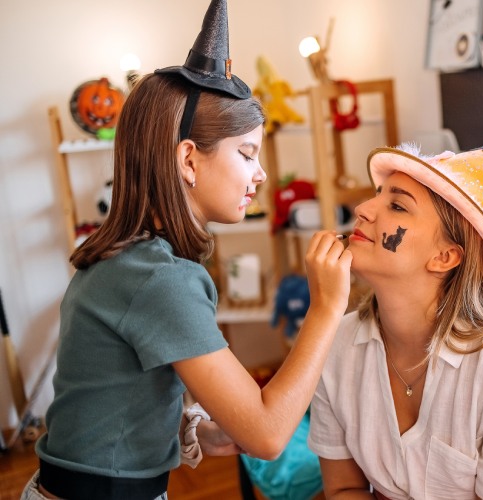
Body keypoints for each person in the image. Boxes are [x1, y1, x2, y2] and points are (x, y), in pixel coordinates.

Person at [22, 1, 351, 499]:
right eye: (246, 154)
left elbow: (107, 396)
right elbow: (266, 435)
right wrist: (327, 308)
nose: (259, 174)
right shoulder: (158, 278)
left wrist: (184, 428)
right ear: (188, 160)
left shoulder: (126, 257)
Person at [308, 111, 483, 499]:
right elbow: (343, 488)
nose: (364, 208)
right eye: (378, 195)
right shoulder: (335, 344)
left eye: (398, 207)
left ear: (446, 257)